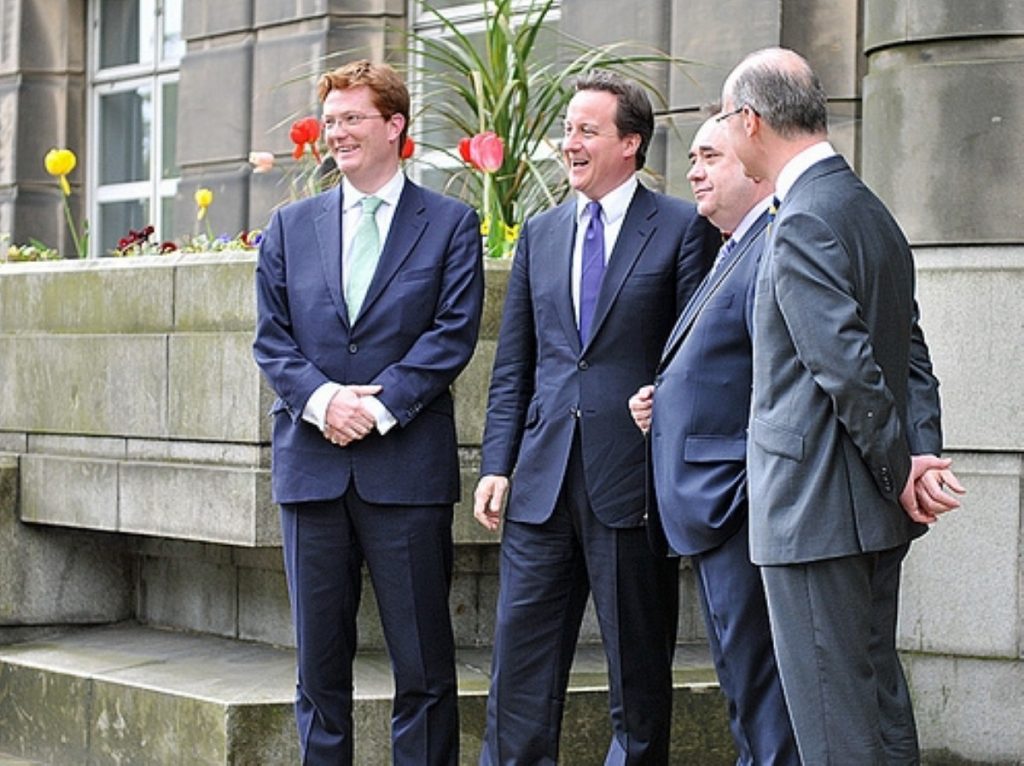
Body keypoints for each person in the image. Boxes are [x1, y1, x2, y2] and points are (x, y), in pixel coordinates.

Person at [718, 47, 965, 764]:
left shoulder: (800, 221)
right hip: (864, 512)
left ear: (750, 120)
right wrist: (915, 460)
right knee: (877, 713)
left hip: (814, 515)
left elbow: (849, 372)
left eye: (726, 124)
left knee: (833, 729)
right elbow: (909, 354)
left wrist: (901, 470)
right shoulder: (868, 210)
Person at [473, 70, 717, 764]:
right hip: (541, 483)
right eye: (567, 130)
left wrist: (664, 410)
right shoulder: (543, 232)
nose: (569, 144)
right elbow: (515, 364)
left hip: (631, 485)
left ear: (630, 143)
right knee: (518, 674)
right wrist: (497, 465)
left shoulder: (679, 227)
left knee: (638, 676)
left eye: (586, 130)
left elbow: (698, 352)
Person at [252, 59, 484, 765]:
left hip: (405, 472)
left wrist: (376, 410)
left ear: (395, 126)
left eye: (353, 119)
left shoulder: (449, 224)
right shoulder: (290, 227)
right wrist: (323, 403)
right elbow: (272, 338)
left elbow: (453, 334)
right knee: (318, 670)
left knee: (423, 667)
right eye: (331, 122)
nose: (337, 133)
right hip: (313, 471)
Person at [628, 113, 798, 765]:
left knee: (763, 698)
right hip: (716, 512)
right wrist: (663, 405)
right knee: (744, 695)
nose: (693, 170)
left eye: (710, 157)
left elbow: (787, 381)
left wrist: (744, 489)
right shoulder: (730, 246)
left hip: (742, 510)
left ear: (754, 165)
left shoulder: (773, 245)